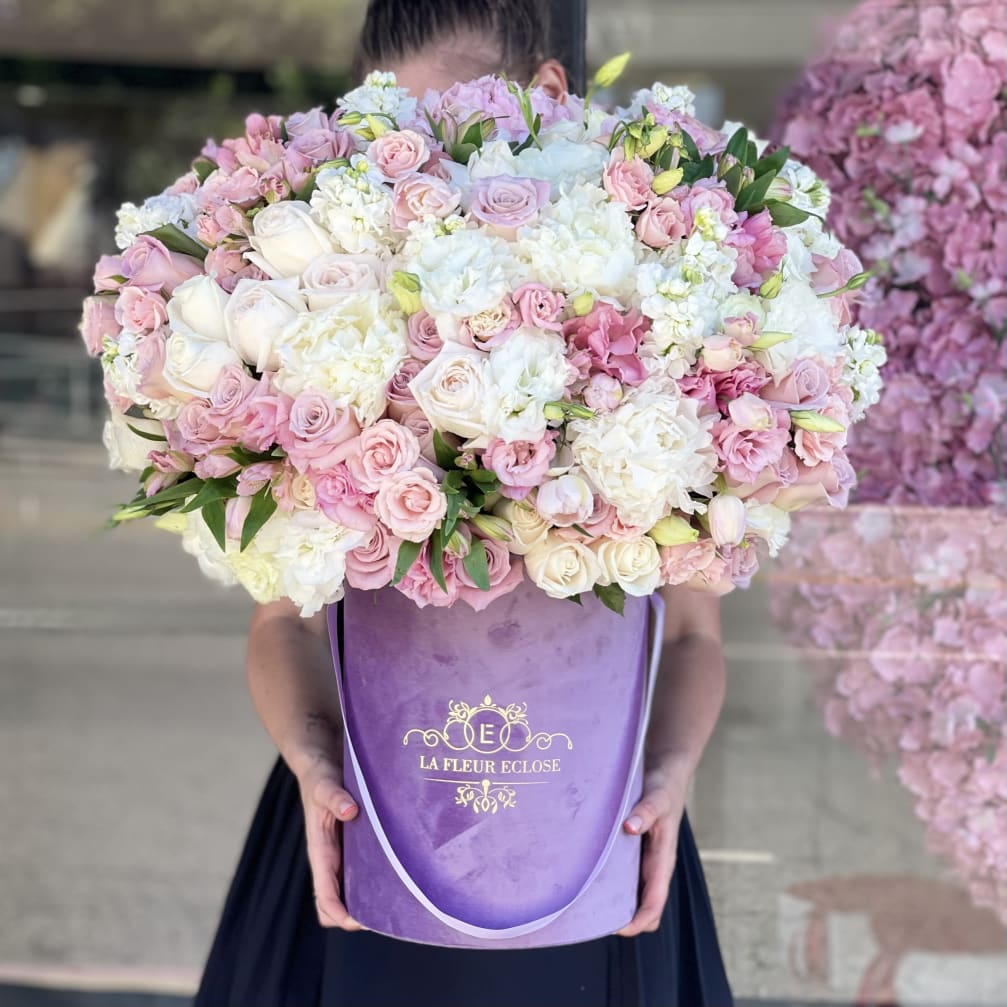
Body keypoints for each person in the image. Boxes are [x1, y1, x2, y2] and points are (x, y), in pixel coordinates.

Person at [194, 2, 734, 1004]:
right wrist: (310, 757)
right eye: (379, 125)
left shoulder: (666, 324)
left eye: (434, 123)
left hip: (594, 832)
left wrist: (669, 772)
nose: (406, 163)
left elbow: (694, 634)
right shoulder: (332, 308)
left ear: (544, 97)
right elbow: (282, 619)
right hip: (366, 831)